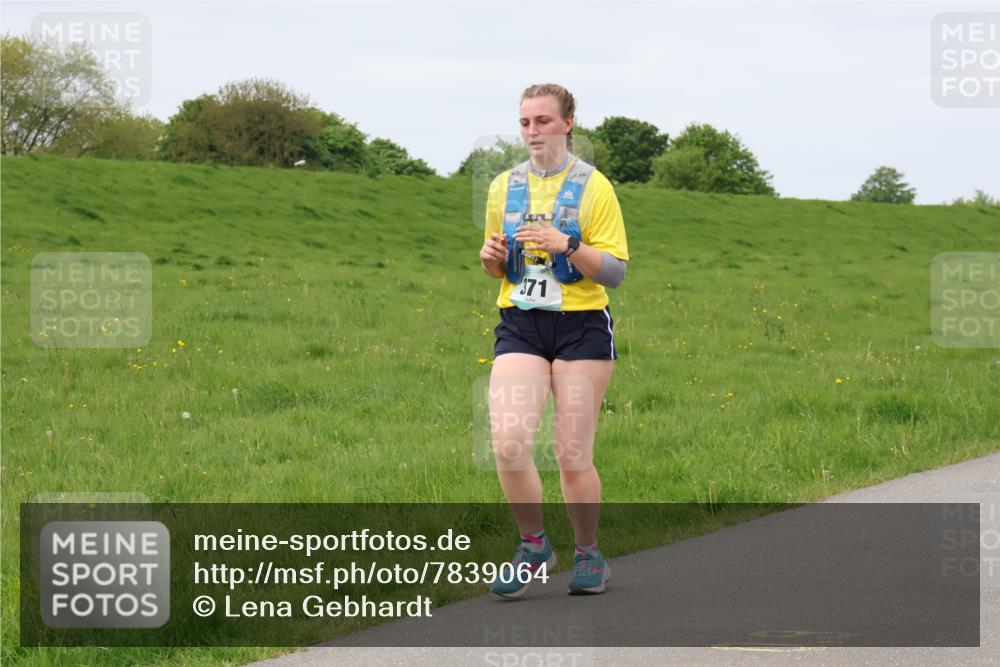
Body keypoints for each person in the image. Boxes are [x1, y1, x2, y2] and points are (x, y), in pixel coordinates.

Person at [479, 83, 629, 598]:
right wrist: (492, 258)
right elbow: (498, 265)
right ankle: (534, 545)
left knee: (571, 452)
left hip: (581, 328)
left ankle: (589, 553)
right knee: (509, 442)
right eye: (524, 123)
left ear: (567, 123)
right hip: (521, 322)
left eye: (542, 121)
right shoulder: (503, 186)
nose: (532, 132)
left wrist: (567, 243)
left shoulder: (594, 187)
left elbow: (614, 272)